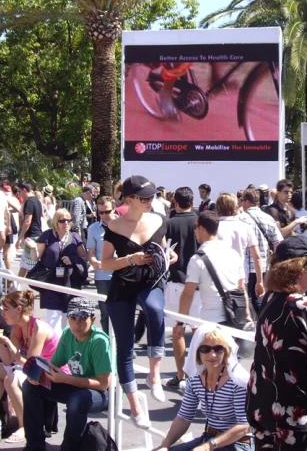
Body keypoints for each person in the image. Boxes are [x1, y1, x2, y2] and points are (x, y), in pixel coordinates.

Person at [101, 175, 177, 428]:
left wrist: (170, 255)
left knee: (156, 311)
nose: (150, 201)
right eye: (145, 198)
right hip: (122, 285)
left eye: (152, 197)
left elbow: (163, 248)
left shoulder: (159, 220)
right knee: (125, 348)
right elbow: (105, 264)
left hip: (150, 281)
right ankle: (134, 406)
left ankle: (154, 375)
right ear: (130, 199)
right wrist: (130, 259)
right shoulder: (114, 226)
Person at [247, 236, 307, 450]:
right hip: (293, 409)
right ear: (299, 268)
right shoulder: (304, 306)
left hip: (261, 402)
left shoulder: (269, 298)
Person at [22, 298, 111, 451]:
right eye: (73, 318)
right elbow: (54, 365)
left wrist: (67, 379)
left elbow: (103, 384)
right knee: (29, 386)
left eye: (82, 319)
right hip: (75, 385)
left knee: (78, 400)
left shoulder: (99, 341)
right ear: (67, 318)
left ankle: (69, 448)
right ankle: (34, 446)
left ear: (93, 319)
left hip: (104, 394)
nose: (77, 324)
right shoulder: (67, 333)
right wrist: (37, 374)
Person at [153, 323, 251, 451]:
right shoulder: (195, 379)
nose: (212, 355)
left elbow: (244, 426)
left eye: (218, 349)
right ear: (197, 352)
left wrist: (207, 447)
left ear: (226, 351)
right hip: (209, 438)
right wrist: (165, 445)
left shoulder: (238, 381)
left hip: (238, 443)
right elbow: (183, 417)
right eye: (205, 349)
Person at [0, 290, 60, 444]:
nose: (2, 314)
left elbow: (31, 364)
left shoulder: (38, 328)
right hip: (32, 370)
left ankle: (24, 426)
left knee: (11, 379)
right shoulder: (17, 327)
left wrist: (7, 343)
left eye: (6, 309)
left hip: (50, 372)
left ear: (18, 309)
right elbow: (7, 360)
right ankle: (7, 418)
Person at [177, 211, 251, 327]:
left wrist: (180, 322)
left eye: (195, 227)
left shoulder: (197, 259)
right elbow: (241, 287)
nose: (195, 231)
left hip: (211, 319)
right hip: (236, 317)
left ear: (201, 228)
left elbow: (188, 294)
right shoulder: (233, 253)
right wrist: (247, 314)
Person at [164, 187, 201, 392]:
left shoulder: (169, 224)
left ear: (175, 203)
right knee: (198, 330)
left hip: (177, 282)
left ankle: (181, 375)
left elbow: (164, 251)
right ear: (192, 201)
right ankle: (198, 374)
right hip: (198, 284)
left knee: (178, 331)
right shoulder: (200, 223)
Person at [30, 208, 88, 336]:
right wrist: (34, 248)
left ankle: (61, 349)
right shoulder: (47, 236)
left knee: (66, 319)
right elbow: (36, 257)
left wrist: (72, 260)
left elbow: (84, 258)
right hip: (51, 284)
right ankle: (54, 350)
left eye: (68, 220)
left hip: (69, 284)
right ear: (56, 222)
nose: (66, 223)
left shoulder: (75, 238)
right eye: (62, 220)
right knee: (53, 320)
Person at [238, 188, 282, 315]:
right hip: (264, 266)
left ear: (247, 202)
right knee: (260, 297)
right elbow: (278, 243)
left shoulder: (241, 218)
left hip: (245, 265)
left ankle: (255, 325)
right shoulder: (268, 218)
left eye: (242, 200)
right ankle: (265, 323)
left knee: (248, 300)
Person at [86, 195, 118, 333]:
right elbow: (91, 251)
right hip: (102, 275)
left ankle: (121, 344)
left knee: (121, 312)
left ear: (114, 209)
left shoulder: (123, 225)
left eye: (107, 211)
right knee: (105, 313)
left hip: (121, 274)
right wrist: (93, 261)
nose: (104, 215)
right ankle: (106, 343)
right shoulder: (93, 228)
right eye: (101, 212)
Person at [16, 182, 44, 275]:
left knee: (31, 266)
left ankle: (38, 287)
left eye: (19, 191)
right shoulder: (37, 201)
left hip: (32, 236)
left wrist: (19, 238)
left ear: (24, 190)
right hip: (36, 234)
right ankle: (15, 286)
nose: (18, 194)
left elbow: (27, 222)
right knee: (24, 264)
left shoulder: (29, 202)